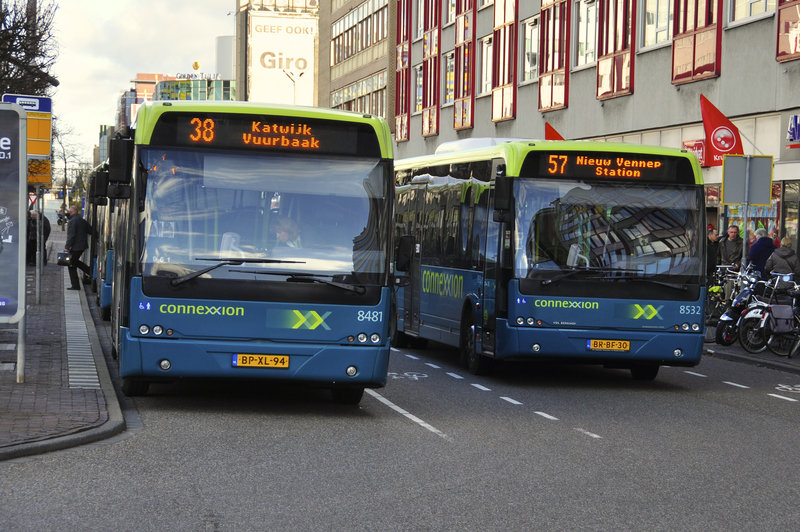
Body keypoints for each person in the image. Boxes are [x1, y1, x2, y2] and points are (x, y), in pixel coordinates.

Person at [64, 205, 92, 290]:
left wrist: (67, 247)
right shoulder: (81, 220)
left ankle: (76, 285)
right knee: (74, 262)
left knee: (71, 264)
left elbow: (71, 236)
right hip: (82, 246)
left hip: (76, 246)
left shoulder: (72, 221)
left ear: (72, 211)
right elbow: (90, 230)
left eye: (70, 211)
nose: (69, 212)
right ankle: (89, 271)